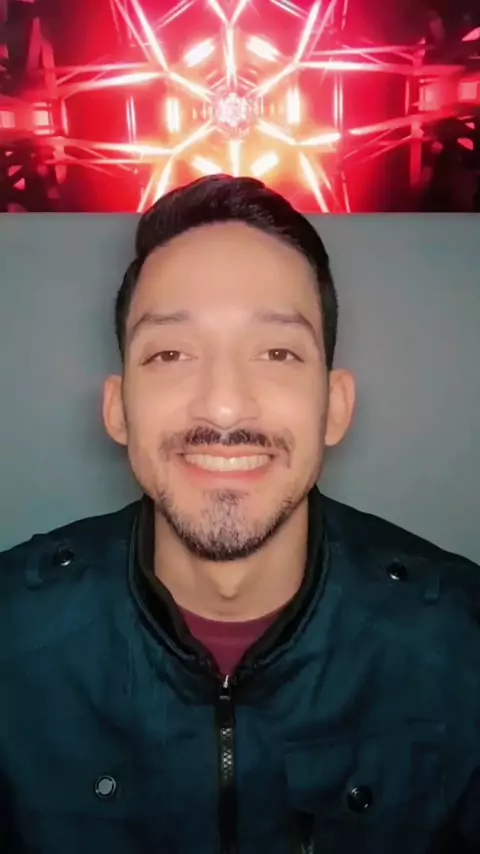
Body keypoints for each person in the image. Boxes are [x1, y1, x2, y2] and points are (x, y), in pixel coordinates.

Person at [1, 174, 479, 854]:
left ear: (335, 408)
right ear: (117, 410)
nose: (224, 406)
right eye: (170, 353)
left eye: (278, 352)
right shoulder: (11, 637)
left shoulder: (462, 644)